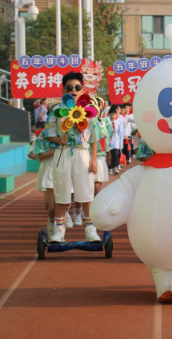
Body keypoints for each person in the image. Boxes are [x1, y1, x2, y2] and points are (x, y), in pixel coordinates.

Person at [45, 72, 100, 243]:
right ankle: (59, 230)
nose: (74, 90)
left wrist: (93, 159)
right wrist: (58, 139)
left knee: (86, 192)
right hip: (62, 154)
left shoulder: (88, 110)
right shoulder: (56, 110)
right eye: (70, 88)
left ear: (82, 89)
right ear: (64, 90)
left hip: (82, 154)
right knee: (61, 192)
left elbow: (94, 136)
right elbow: (48, 133)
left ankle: (91, 229)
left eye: (77, 87)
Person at [108, 107, 125, 175]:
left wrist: (121, 143)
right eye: (111, 114)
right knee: (109, 155)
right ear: (109, 114)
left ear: (116, 115)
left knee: (115, 154)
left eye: (114, 115)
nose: (112, 116)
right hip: (109, 140)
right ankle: (110, 168)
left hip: (116, 140)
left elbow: (120, 132)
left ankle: (115, 167)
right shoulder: (107, 122)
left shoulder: (118, 122)